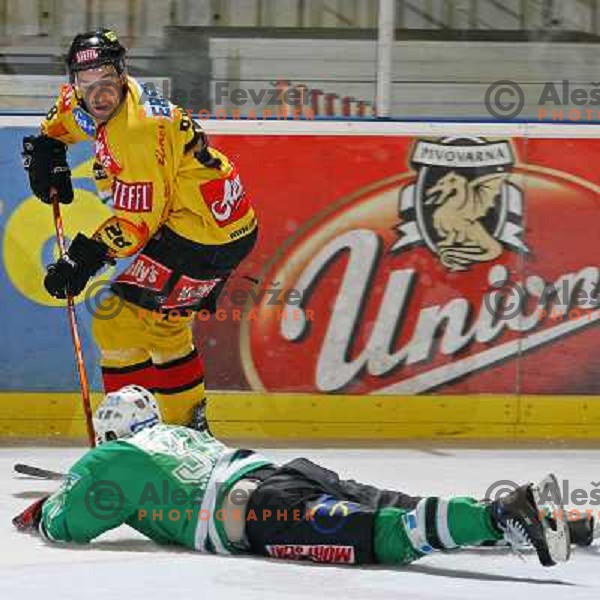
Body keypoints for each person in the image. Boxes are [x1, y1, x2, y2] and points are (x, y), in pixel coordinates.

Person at [13, 385, 585, 567]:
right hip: (287, 473)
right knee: (403, 504)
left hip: (260, 513)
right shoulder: (181, 433)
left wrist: (52, 504)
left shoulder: (106, 461)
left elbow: (71, 526)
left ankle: (506, 511)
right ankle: (560, 522)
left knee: (385, 537)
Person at [21, 28, 258, 427]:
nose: (99, 92)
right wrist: (49, 146)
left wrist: (81, 260)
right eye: (86, 80)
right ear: (74, 83)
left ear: (122, 73)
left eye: (107, 78)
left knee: (123, 323)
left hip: (206, 235)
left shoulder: (137, 131)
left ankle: (167, 439)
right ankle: (171, 435)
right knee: (142, 327)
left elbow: (136, 226)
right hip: (197, 222)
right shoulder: (92, 103)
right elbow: (65, 120)